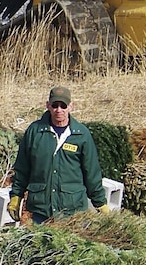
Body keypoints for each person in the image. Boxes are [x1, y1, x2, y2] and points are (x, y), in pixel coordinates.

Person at [8, 86, 107, 224]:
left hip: (73, 212)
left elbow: (92, 172)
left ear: (71, 106)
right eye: (55, 105)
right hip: (41, 211)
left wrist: (100, 203)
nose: (58, 110)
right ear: (48, 106)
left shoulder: (81, 135)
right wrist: (16, 196)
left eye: (63, 105)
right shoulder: (35, 132)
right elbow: (22, 168)